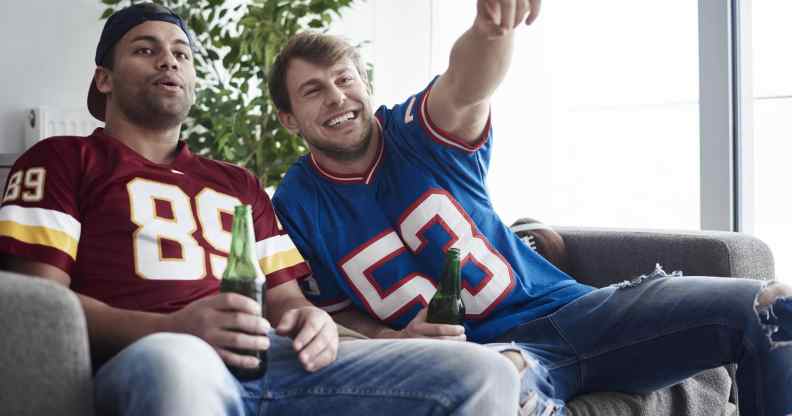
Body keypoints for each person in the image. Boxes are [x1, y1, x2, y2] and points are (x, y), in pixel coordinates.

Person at [269, 0, 792, 415]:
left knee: (775, 308)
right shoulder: (295, 203)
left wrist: (491, 29)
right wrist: (396, 339)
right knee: (501, 384)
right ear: (289, 119)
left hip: (579, 314)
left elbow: (466, 85)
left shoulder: (414, 132)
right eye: (313, 90)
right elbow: (333, 312)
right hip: (490, 355)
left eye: (345, 79)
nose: (336, 97)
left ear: (365, 83)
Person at [0, 3, 523, 415]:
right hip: (157, 357)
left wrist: (312, 320)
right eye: (145, 49)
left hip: (272, 361)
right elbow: (41, 307)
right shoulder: (61, 160)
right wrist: (174, 326)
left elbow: (286, 303)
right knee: (176, 362)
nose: (169, 61)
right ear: (104, 79)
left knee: (480, 371)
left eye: (182, 53)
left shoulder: (238, 183)